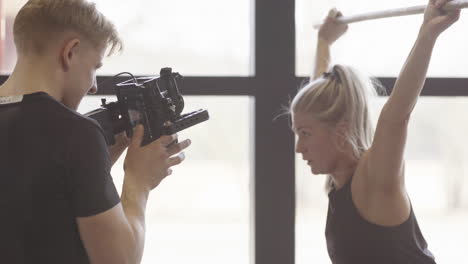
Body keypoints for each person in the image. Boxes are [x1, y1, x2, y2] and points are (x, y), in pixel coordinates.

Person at [0, 0, 191, 263]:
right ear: (70, 52)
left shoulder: (72, 138)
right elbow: (119, 260)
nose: (94, 86)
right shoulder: (76, 134)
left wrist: (99, 160)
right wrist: (138, 182)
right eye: (95, 68)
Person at [291, 0, 460, 263]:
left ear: (340, 132)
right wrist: (324, 42)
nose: (299, 148)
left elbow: (396, 116)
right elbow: (318, 111)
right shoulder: (337, 178)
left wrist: (428, 32)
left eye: (305, 134)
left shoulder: (374, 179)